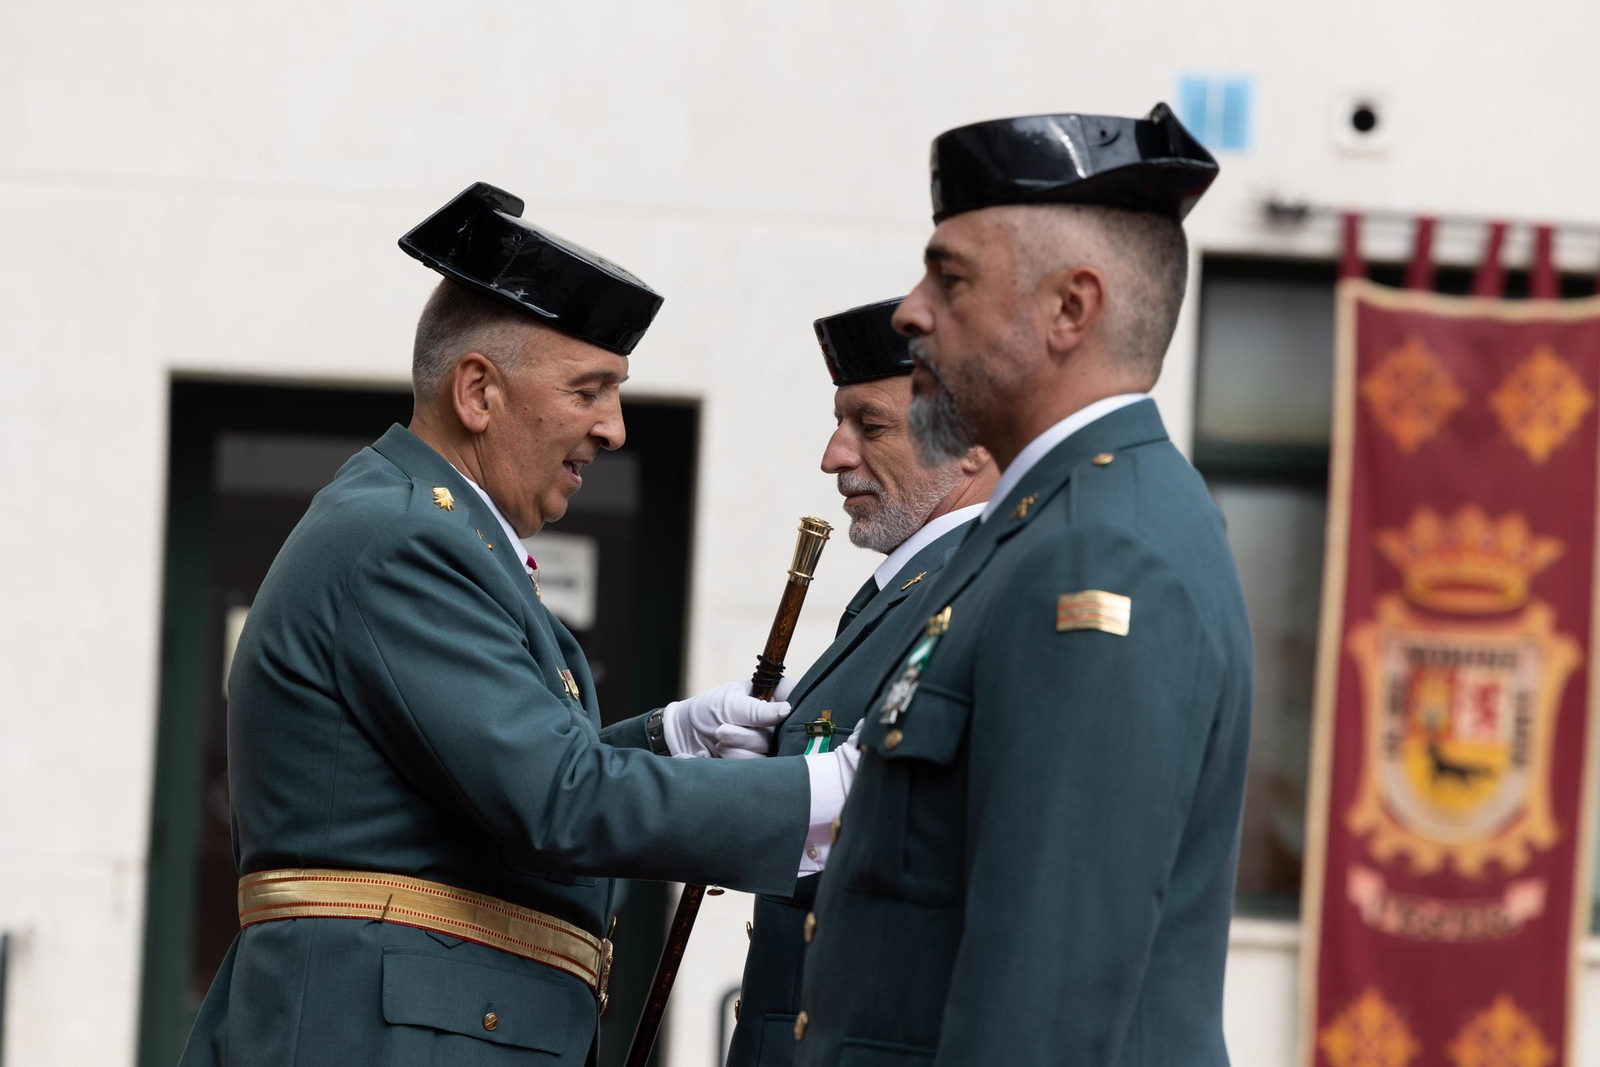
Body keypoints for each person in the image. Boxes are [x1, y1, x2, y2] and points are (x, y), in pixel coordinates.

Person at [180, 182, 844, 1066]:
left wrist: (669, 739)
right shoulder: (405, 536)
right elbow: (557, 802)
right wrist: (834, 793)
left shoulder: (425, 527)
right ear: (480, 391)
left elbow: (475, 793)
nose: (611, 428)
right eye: (589, 389)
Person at [795, 106, 1253, 1065]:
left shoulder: (1104, 549)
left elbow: (1045, 1000)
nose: (910, 311)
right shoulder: (1048, 523)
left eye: (950, 277)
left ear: (1070, 310)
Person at [723, 298, 995, 1066]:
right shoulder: (900, 591)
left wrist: (674, 806)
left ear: (970, 445)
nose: (833, 456)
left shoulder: (962, 594)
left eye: (869, 425)